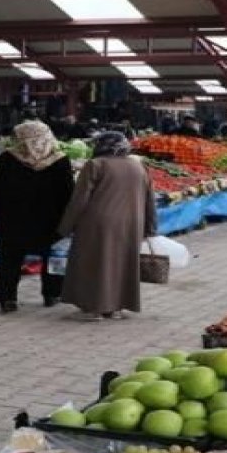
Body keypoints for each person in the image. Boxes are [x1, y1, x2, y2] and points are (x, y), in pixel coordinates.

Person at [58, 132, 157, 321]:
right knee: (122, 263)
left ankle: (95, 307)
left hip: (97, 223)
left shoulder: (95, 165)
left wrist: (66, 226)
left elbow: (79, 200)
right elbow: (149, 199)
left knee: (95, 263)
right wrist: (151, 226)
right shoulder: (138, 166)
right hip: (131, 222)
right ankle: (116, 308)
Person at [0, 121, 74, 313]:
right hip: (50, 219)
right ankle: (52, 294)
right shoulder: (60, 160)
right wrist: (70, 221)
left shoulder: (7, 158)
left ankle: (7, 298)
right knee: (52, 257)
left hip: (14, 219)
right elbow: (68, 193)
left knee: (9, 259)